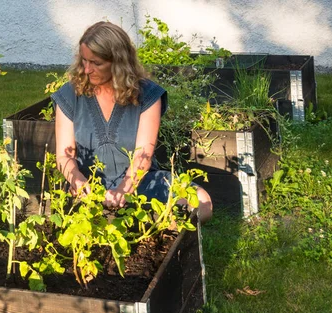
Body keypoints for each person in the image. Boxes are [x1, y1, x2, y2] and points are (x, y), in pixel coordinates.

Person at [51, 21, 213, 223]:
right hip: (88, 186)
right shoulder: (70, 94)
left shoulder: (146, 95)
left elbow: (142, 156)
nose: (86, 70)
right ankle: (149, 222)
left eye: (96, 63)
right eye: (84, 61)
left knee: (202, 203)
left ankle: (151, 228)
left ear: (118, 63)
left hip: (139, 181)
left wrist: (124, 189)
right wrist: (78, 180)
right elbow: (64, 155)